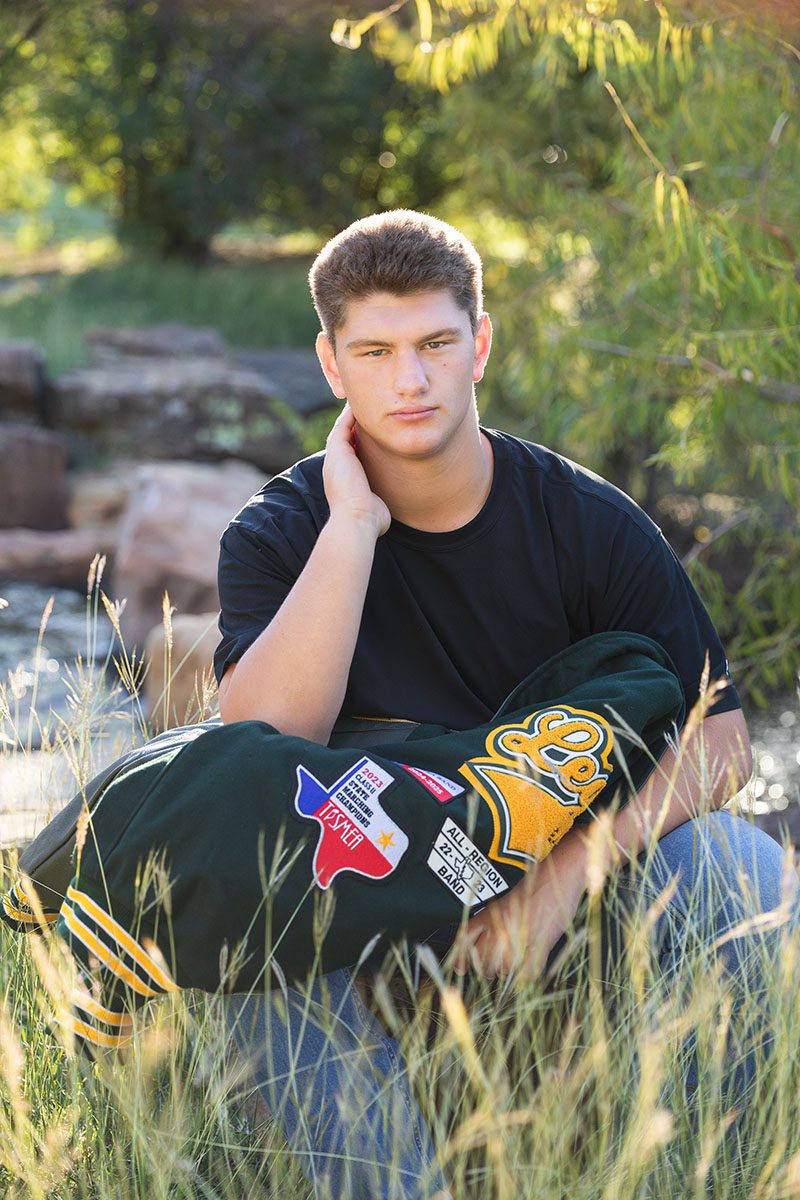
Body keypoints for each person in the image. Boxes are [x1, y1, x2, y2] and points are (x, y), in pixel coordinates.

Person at [213, 210, 788, 1199]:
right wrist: (351, 528)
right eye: (375, 352)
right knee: (240, 911)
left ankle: (697, 1175)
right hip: (364, 895)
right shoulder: (278, 535)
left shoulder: (588, 522)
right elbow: (260, 750)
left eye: (436, 344)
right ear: (330, 363)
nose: (411, 380)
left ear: (479, 344)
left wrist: (565, 878)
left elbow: (724, 742)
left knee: (740, 868)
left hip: (567, 890)